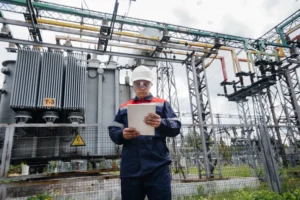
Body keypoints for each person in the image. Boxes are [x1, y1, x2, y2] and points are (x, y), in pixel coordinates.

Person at [108, 65, 181, 200]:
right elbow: (113, 130)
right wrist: (122, 134)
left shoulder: (162, 104)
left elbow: (176, 126)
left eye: (145, 83)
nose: (142, 87)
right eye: (138, 84)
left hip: (157, 167)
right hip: (131, 169)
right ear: (133, 85)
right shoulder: (124, 108)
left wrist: (162, 123)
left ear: (151, 84)